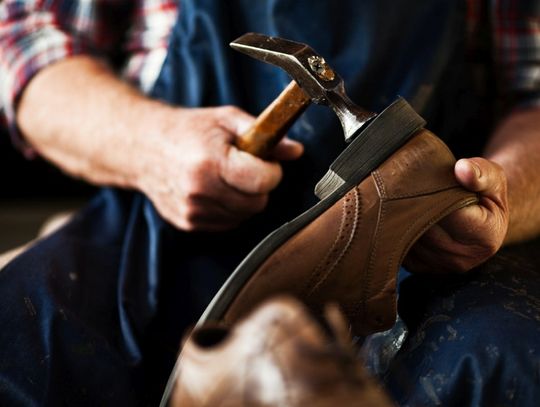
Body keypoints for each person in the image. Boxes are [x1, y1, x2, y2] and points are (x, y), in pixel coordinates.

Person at [0, 0, 538, 405]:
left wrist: (503, 196)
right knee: (21, 338)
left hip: (422, 233)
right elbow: (25, 41)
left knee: (501, 359)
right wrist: (150, 145)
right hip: (158, 198)